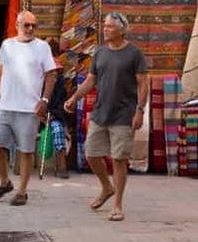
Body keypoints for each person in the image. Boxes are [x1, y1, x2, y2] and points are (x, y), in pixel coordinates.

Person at [64, 12, 149, 222]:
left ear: (121, 29)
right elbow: (91, 81)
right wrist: (74, 98)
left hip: (124, 114)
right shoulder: (100, 53)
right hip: (100, 113)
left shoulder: (134, 54)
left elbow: (143, 84)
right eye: (105, 25)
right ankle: (106, 187)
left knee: (119, 160)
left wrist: (140, 111)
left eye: (110, 26)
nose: (105, 29)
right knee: (91, 154)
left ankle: (118, 205)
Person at [0, 11, 57, 206]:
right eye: (26, 25)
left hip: (29, 108)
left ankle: (22, 191)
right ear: (17, 24)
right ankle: (4, 182)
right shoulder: (7, 45)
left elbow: (51, 75)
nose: (30, 29)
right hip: (5, 105)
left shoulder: (42, 47)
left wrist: (44, 100)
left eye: (34, 26)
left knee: (26, 150)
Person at [45, 38, 70, 179]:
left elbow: (61, 104)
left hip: (53, 115)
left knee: (58, 129)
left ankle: (62, 167)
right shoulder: (35, 78)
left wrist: (52, 115)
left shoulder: (60, 83)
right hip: (34, 113)